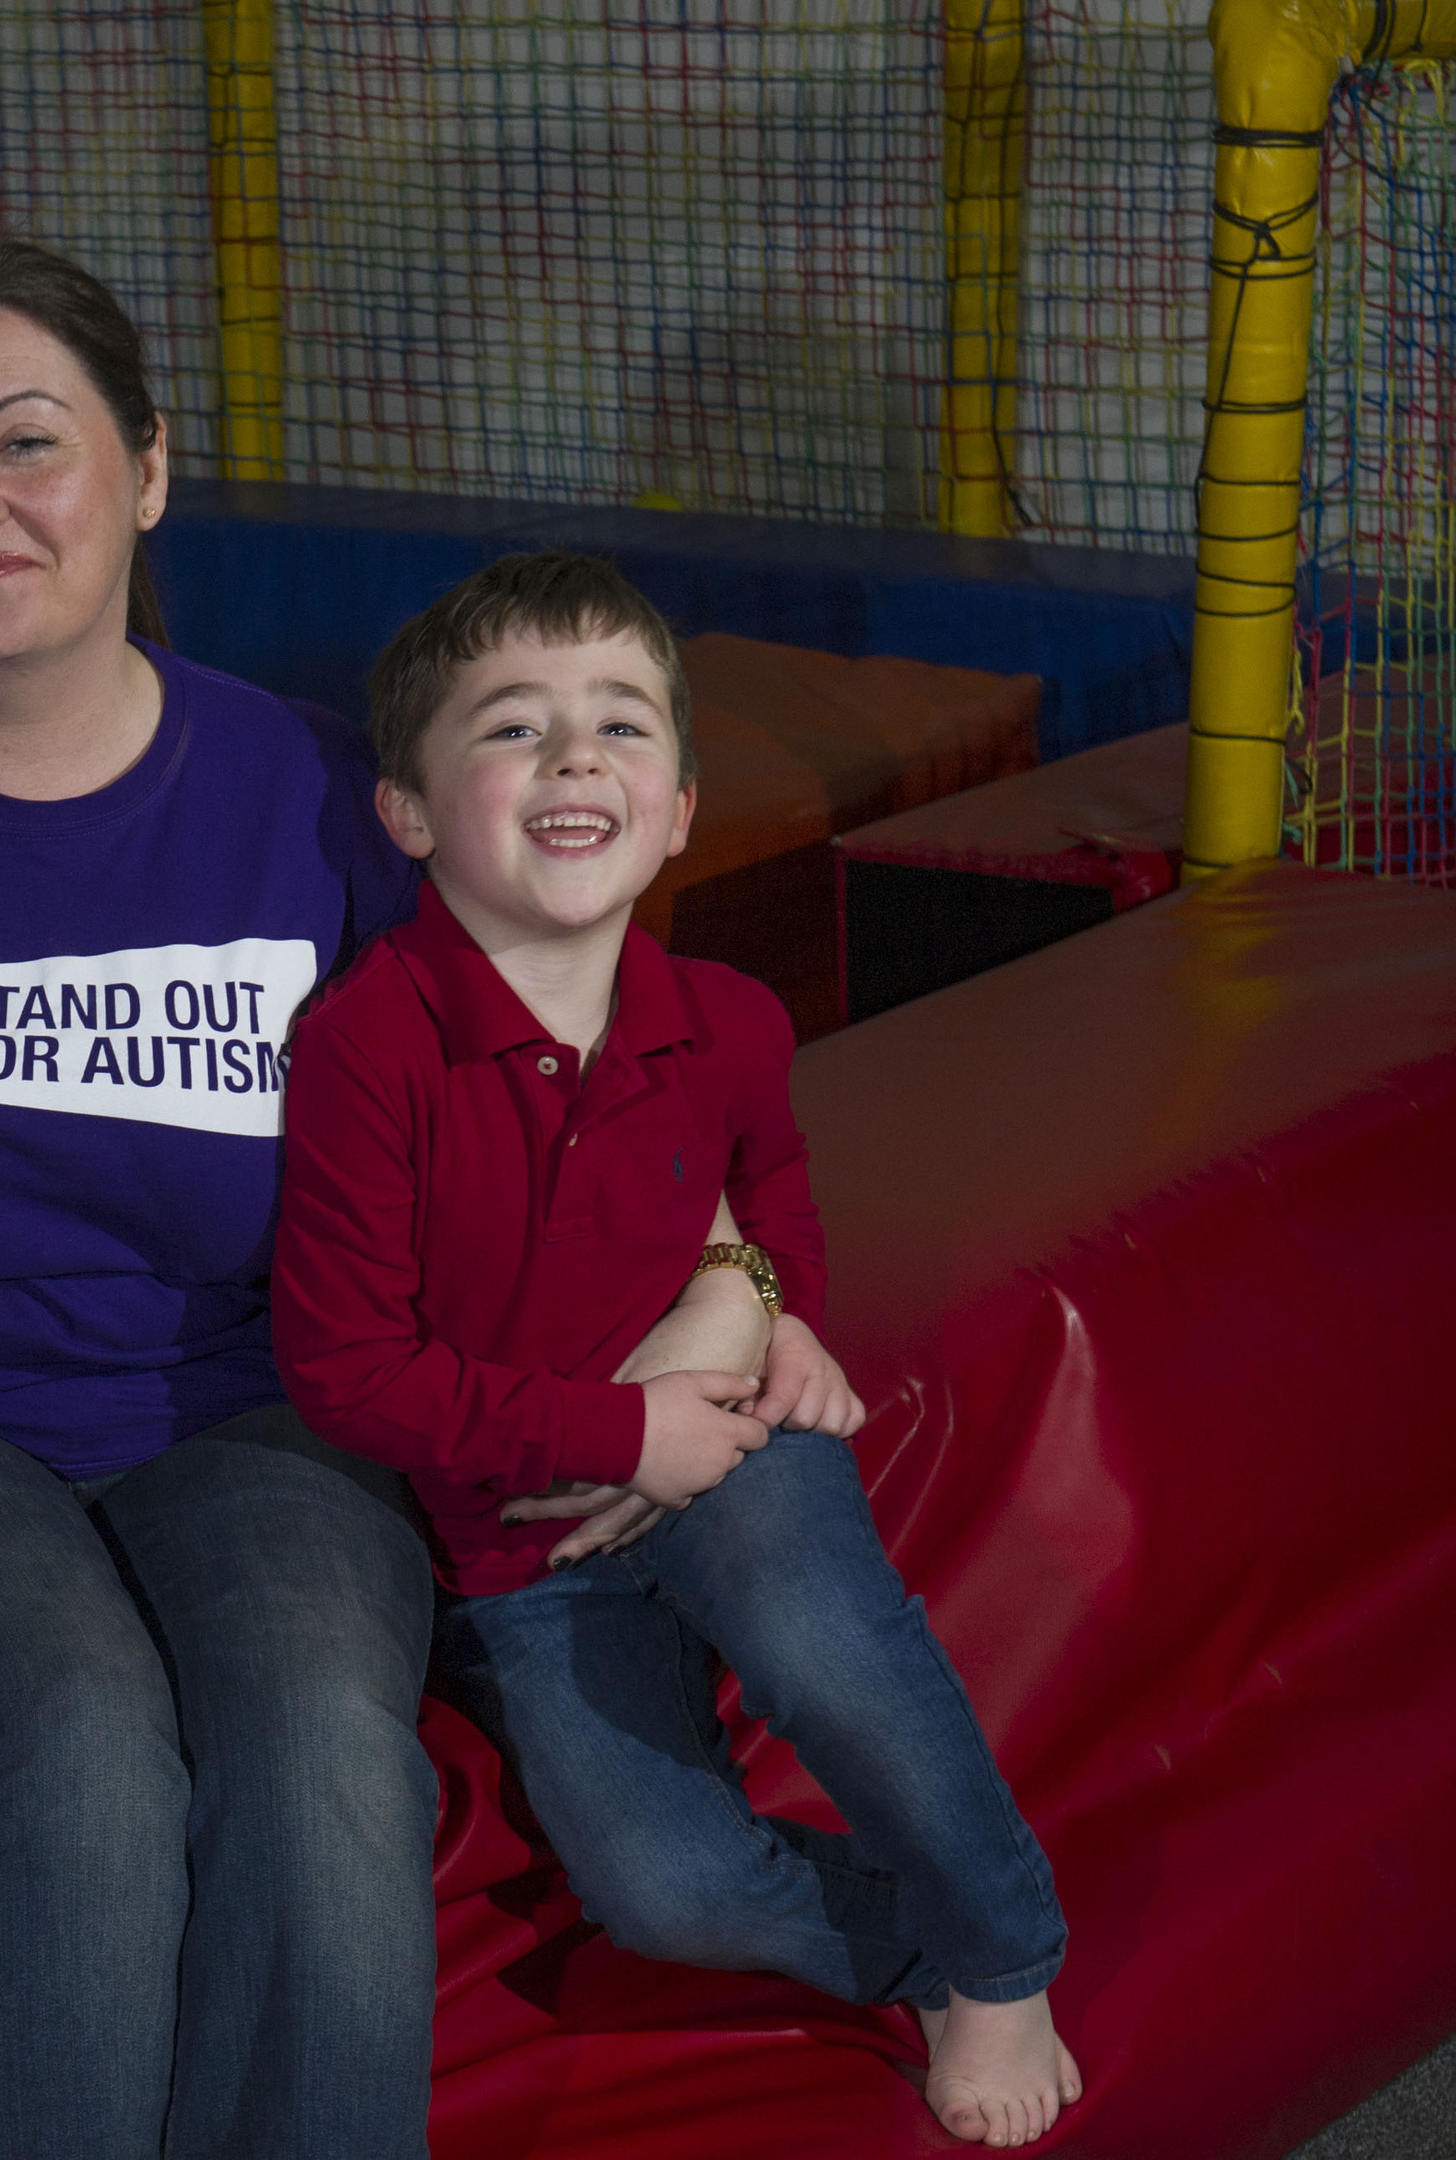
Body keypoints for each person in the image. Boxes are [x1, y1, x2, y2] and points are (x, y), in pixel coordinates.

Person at [0, 239, 758, 2159]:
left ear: (147, 471)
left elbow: (598, 1067)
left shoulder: (318, 804)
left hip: (260, 1407)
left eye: (26, 441)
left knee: (324, 1738)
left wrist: (726, 1285)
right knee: (64, 1735)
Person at [271, 548, 1079, 2149]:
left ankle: (1004, 1954)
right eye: (514, 728)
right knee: (664, 1886)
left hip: (731, 1451)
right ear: (411, 815)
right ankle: (907, 1944)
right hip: (525, 1540)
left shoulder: (728, 1018)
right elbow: (346, 1368)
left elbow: (776, 1196)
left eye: (622, 727)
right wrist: (615, 1437)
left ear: (684, 807)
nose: (576, 758)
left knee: (825, 1633)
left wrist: (779, 1317)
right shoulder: (367, 1048)